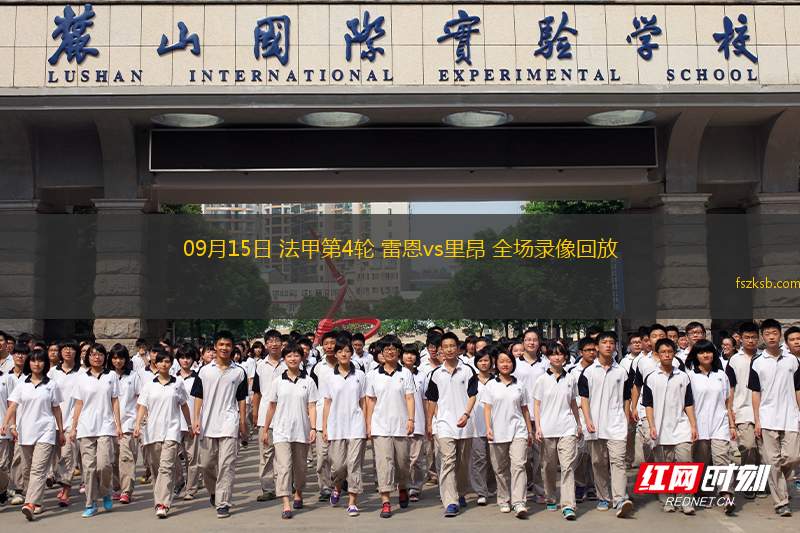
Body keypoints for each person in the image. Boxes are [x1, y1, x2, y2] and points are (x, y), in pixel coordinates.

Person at [0, 349, 65, 521]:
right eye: (34, 360)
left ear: (45, 363)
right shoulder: (22, 384)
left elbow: (56, 409)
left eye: (40, 360)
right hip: (26, 432)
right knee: (28, 470)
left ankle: (29, 503)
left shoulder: (51, 384)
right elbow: (12, 405)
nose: (37, 364)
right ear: (29, 363)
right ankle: (38, 502)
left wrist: (61, 431)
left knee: (38, 468)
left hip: (46, 431)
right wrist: (6, 424)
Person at [191, 330, 248, 519]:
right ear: (215, 346)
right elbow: (198, 396)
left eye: (228, 345)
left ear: (233, 348)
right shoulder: (205, 371)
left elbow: (241, 399)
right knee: (206, 464)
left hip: (229, 423)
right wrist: (196, 419)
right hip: (208, 423)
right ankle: (214, 492)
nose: (224, 348)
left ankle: (223, 502)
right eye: (221, 344)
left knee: (226, 465)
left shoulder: (239, 372)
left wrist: (242, 422)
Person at [578, 331, 634, 518]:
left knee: (618, 461)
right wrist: (587, 420)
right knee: (598, 462)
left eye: (611, 342)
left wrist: (625, 418)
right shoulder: (588, 372)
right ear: (597, 347)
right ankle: (603, 496)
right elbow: (584, 399)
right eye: (604, 342)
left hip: (616, 424)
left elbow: (626, 397)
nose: (608, 345)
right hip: (595, 425)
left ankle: (620, 499)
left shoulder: (621, 371)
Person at [749, 319, 800, 517]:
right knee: (772, 461)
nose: (771, 337)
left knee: (793, 457)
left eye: (775, 333)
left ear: (780, 335)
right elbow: (755, 393)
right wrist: (757, 420)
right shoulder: (757, 362)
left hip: (790, 416)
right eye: (767, 333)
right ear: (763, 337)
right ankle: (781, 502)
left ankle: (781, 483)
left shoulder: (792, 360)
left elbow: (798, 389)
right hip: (767, 417)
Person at [134, 350, 193, 518]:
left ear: (171, 363)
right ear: (156, 363)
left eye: (167, 361)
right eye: (161, 361)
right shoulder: (149, 385)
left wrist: (189, 424)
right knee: (156, 468)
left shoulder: (177, 383)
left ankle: (162, 503)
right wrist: (137, 425)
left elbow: (184, 405)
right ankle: (173, 484)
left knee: (165, 467)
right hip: (152, 432)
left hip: (172, 430)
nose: (164, 364)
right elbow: (142, 406)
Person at [642, 338, 698, 515]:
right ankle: (667, 499)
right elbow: (648, 404)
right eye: (663, 352)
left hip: (681, 426)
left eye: (670, 352)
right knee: (664, 466)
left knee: (685, 462)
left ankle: (685, 500)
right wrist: (651, 425)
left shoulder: (683, 376)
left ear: (674, 354)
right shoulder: (651, 378)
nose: (667, 355)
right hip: (661, 428)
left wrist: (693, 425)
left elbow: (688, 403)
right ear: (657, 355)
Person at [263, 343, 318, 519]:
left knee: (300, 467)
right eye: (289, 356)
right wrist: (265, 429)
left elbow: (312, 406)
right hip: (281, 431)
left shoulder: (308, 381)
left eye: (296, 355)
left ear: (301, 358)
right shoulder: (277, 382)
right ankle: (286, 503)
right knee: (284, 466)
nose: (293, 359)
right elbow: (271, 406)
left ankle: (298, 492)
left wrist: (313, 427)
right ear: (284, 359)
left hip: (301, 430)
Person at [425, 332, 478, 517]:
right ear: (441, 349)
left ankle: (461, 492)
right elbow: (432, 400)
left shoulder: (468, 370)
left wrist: (466, 414)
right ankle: (450, 501)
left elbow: (473, 395)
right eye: (445, 346)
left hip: (464, 424)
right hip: (444, 424)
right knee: (448, 461)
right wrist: (429, 423)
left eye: (452, 346)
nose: (449, 349)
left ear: (458, 348)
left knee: (462, 463)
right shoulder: (436, 374)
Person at [69, 343, 123, 518]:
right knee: (89, 468)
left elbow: (115, 401)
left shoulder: (111, 375)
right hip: (86, 427)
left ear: (105, 357)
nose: (97, 357)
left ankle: (106, 491)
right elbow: (78, 403)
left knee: (104, 464)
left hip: (106, 426)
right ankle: (90, 503)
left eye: (100, 354)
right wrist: (73, 427)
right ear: (88, 357)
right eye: (93, 354)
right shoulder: (81, 378)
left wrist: (118, 425)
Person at [684, 339, 736, 515]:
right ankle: (703, 492)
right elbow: (687, 403)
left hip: (719, 424)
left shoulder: (721, 375)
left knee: (723, 460)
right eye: (701, 352)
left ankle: (727, 495)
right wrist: (691, 425)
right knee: (702, 462)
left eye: (708, 351)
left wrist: (732, 425)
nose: (706, 355)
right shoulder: (690, 377)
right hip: (698, 425)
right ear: (695, 356)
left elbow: (727, 402)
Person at [366, 335, 415, 518]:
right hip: (380, 426)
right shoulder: (373, 375)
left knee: (402, 462)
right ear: (381, 352)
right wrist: (368, 424)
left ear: (398, 351)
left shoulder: (405, 373)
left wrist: (411, 419)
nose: (390, 351)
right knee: (384, 464)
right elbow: (370, 401)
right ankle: (385, 501)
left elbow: (409, 398)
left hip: (401, 425)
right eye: (386, 349)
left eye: (393, 348)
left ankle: (402, 487)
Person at [533, 342, 582, 520]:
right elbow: (536, 405)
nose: (557, 357)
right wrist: (538, 427)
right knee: (548, 466)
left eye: (560, 354)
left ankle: (568, 505)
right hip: (547, 429)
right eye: (553, 354)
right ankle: (551, 496)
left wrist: (578, 424)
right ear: (548, 357)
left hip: (567, 428)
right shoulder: (541, 380)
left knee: (568, 466)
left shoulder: (571, 378)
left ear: (565, 357)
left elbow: (573, 403)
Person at [483, 348, 533, 518]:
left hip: (518, 430)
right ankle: (504, 499)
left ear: (513, 364)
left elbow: (525, 409)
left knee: (519, 465)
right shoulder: (491, 385)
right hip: (497, 432)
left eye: (509, 361)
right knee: (500, 468)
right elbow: (487, 408)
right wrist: (488, 428)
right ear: (496, 364)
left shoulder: (519, 385)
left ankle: (519, 502)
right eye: (502, 361)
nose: (505, 364)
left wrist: (529, 430)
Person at [322, 340, 367, 516]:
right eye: (340, 351)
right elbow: (327, 403)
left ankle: (352, 502)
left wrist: (367, 424)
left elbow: (363, 401)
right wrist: (325, 427)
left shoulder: (360, 375)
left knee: (354, 464)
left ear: (351, 353)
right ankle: (337, 486)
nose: (343, 354)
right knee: (338, 466)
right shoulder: (329, 377)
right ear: (335, 354)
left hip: (356, 424)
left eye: (347, 351)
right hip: (336, 426)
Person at [725, 321, 762, 498]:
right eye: (747, 337)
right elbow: (730, 388)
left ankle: (759, 481)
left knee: (762, 450)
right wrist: (730, 409)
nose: (750, 340)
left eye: (754, 337)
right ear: (740, 339)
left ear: (758, 338)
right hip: (742, 409)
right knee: (748, 446)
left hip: (765, 409)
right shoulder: (734, 360)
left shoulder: (763, 357)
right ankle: (748, 481)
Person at [251, 329, 285, 502]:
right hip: (266, 417)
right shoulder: (260, 366)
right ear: (266, 345)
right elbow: (257, 392)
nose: (274, 344)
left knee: (285, 454)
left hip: (286, 415)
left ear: (282, 343)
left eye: (276, 340)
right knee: (266, 454)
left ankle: (284, 486)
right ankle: (268, 488)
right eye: (270, 341)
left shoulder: (289, 362)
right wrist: (255, 413)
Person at [108, 343, 141, 504]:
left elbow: (140, 399)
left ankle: (126, 490)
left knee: (126, 457)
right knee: (113, 459)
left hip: (128, 422)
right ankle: (116, 487)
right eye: (114, 358)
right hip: (109, 424)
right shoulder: (107, 376)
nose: (118, 361)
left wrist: (139, 423)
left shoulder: (133, 376)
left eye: (121, 358)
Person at [310, 330, 339, 502]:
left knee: (339, 457)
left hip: (342, 417)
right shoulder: (317, 368)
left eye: (332, 343)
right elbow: (312, 396)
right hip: (322, 416)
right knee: (322, 456)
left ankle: (338, 483)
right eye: (326, 343)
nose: (329, 346)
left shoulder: (350, 365)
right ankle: (325, 487)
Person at [567, 337, 597, 502]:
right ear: (581, 352)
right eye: (588, 350)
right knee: (580, 453)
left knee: (595, 454)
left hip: (597, 414)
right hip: (579, 415)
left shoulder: (601, 368)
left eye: (593, 350)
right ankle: (579, 485)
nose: (591, 353)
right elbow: (571, 395)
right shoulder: (573, 371)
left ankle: (593, 486)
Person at [401, 344, 427, 502]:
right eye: (406, 353)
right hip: (400, 423)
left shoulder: (422, 376)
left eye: (412, 354)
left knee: (416, 459)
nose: (409, 356)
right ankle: (403, 484)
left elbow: (425, 400)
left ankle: (415, 487)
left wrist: (428, 421)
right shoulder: (398, 374)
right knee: (403, 458)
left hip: (418, 421)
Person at [175, 345, 201, 500]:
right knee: (173, 456)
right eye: (182, 357)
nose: (185, 360)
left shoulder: (198, 378)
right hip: (175, 423)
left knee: (192, 457)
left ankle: (191, 489)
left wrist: (197, 421)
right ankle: (179, 482)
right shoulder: (172, 378)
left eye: (188, 357)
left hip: (192, 422)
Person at [469, 349, 495, 507]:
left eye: (486, 360)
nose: (484, 363)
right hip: (476, 426)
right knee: (479, 459)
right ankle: (481, 491)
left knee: (494, 460)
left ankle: (491, 487)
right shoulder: (471, 380)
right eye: (480, 360)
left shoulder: (497, 380)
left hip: (495, 426)